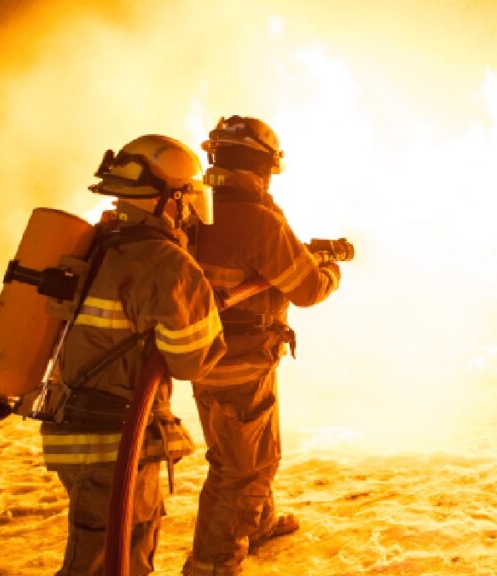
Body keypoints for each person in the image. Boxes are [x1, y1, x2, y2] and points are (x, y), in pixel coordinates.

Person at [39, 134, 227, 575]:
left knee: (106, 552)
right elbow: (190, 361)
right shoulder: (167, 264)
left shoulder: (97, 244)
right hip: (115, 440)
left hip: (71, 425)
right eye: (185, 198)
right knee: (111, 559)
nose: (188, 211)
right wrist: (200, 303)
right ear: (170, 199)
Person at [184, 115, 342, 575]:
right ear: (263, 166)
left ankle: (260, 524)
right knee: (245, 468)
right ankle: (213, 564)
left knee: (239, 450)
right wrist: (330, 269)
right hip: (244, 362)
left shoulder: (193, 210)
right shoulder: (257, 220)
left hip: (202, 357)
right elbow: (307, 289)